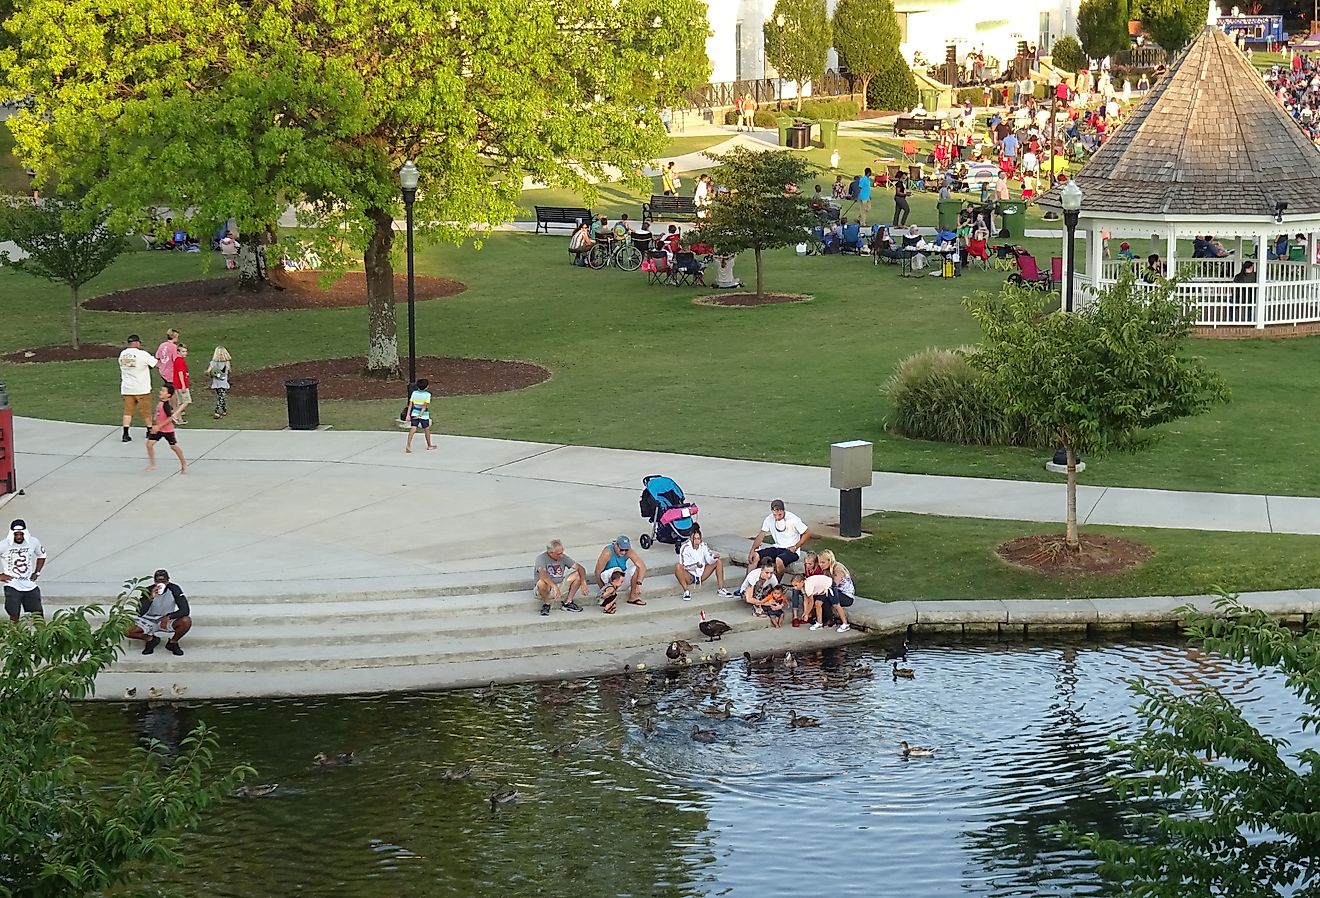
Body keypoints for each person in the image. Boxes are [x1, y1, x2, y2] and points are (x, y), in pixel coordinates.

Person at [126, 569, 192, 656]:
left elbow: (185, 610)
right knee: (126, 630)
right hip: (148, 619)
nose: (160, 584)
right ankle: (150, 639)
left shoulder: (174, 589)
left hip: (165, 618)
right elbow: (140, 612)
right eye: (158, 581)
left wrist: (169, 616)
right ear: (154, 581)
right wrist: (151, 597)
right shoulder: (148, 590)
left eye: (163, 581)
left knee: (186, 621)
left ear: (168, 581)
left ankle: (173, 642)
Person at [747, 499, 810, 577]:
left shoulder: (793, 519)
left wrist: (796, 546)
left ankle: (776, 585)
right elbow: (761, 535)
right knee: (755, 556)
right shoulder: (769, 519)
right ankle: (748, 583)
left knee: (779, 560)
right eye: (775, 515)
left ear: (783, 511)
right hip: (777, 547)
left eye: (779, 514)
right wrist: (752, 550)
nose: (777, 517)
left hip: (791, 550)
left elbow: (807, 533)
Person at [1, 519, 46, 623]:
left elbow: (42, 555)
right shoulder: (4, 545)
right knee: (14, 615)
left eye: (21, 534)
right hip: (12, 585)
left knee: (38, 616)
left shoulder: (33, 542)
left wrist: (37, 572)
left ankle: (42, 637)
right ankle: (15, 637)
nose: (19, 537)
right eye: (16, 534)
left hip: (29, 584)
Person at [674, 528, 736, 600]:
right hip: (689, 576)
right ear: (691, 539)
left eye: (698, 539)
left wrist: (714, 557)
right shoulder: (685, 547)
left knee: (718, 561)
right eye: (695, 539)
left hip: (701, 575)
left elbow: (709, 559)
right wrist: (695, 565)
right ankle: (686, 591)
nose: (697, 541)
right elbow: (684, 565)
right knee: (678, 566)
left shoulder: (703, 545)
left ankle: (721, 589)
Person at [119, 334, 158, 442]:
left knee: (128, 412)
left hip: (127, 388)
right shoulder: (142, 354)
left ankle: (125, 434)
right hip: (142, 388)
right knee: (146, 411)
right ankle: (149, 431)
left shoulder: (123, 354)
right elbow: (156, 364)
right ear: (136, 343)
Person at [533, 539, 588, 615]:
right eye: (559, 554)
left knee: (577, 575)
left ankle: (568, 602)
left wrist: (583, 582)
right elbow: (543, 574)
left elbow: (580, 568)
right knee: (541, 583)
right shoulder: (541, 558)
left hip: (560, 585)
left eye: (562, 552)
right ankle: (546, 604)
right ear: (551, 553)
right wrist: (554, 586)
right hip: (546, 587)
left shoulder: (563, 557)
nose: (561, 555)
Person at [594, 535, 647, 606]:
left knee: (636, 568)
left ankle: (633, 596)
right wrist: (603, 589)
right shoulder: (607, 552)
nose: (623, 552)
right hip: (608, 580)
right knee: (617, 570)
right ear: (615, 545)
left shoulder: (629, 551)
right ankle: (609, 594)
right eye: (621, 549)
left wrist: (638, 584)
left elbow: (642, 566)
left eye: (626, 550)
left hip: (621, 580)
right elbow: (597, 572)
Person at [145, 384, 187, 474]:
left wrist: (159, 426)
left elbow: (170, 418)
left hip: (167, 430)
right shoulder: (160, 403)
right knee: (149, 444)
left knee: (173, 446)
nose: (160, 392)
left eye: (163, 391)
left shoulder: (166, 406)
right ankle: (152, 464)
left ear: (168, 395)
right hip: (158, 429)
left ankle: (184, 463)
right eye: (161, 390)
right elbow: (159, 414)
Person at [404, 378, 436, 453]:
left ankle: (408, 445)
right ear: (426, 387)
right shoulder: (427, 395)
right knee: (426, 429)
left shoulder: (414, 393)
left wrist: (408, 415)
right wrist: (420, 415)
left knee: (413, 428)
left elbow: (410, 405)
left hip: (414, 412)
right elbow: (424, 406)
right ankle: (429, 445)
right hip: (424, 415)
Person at [206, 346, 232, 419]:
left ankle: (224, 410)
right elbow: (229, 370)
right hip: (223, 382)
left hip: (216, 382)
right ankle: (216, 411)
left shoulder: (213, 362)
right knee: (221, 397)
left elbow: (208, 371)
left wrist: (212, 373)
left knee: (221, 396)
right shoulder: (226, 362)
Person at [172, 344, 192, 425]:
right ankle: (175, 415)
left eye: (186, 351)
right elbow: (180, 373)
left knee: (180, 402)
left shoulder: (177, 360)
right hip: (181, 385)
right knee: (186, 401)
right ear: (178, 352)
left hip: (177, 384)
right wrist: (183, 385)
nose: (185, 353)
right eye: (183, 351)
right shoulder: (180, 361)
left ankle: (179, 419)